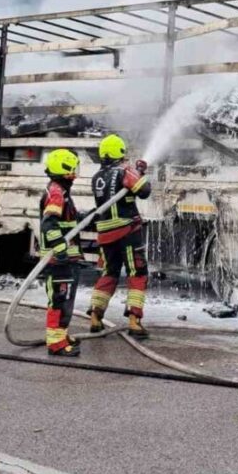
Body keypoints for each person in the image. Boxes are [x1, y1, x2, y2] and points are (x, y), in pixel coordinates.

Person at [89, 134, 152, 338]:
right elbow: (144, 190)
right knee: (138, 272)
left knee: (109, 273)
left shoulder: (96, 177)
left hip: (105, 234)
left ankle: (95, 318)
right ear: (120, 152)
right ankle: (134, 321)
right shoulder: (124, 171)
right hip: (127, 231)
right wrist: (138, 171)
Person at [40, 148, 86, 357]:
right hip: (59, 261)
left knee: (65, 298)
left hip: (66, 259)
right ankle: (55, 343)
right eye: (73, 168)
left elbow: (65, 221)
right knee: (59, 299)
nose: (75, 172)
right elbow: (49, 224)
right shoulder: (57, 192)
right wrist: (59, 250)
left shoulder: (60, 191)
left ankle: (61, 334)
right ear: (64, 169)